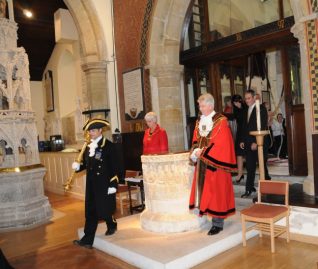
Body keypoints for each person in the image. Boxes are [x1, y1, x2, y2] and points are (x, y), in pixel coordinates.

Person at [189, 93, 237, 235]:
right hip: (203, 163)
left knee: (217, 194)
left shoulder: (221, 121)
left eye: (202, 106)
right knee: (205, 192)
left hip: (216, 164)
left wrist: (202, 153)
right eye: (199, 105)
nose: (200, 108)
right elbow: (195, 139)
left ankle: (218, 223)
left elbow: (222, 143)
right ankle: (208, 216)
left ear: (210, 105)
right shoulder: (200, 121)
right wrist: (195, 151)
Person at [72, 118, 120, 249]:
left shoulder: (109, 146)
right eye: (89, 131)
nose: (90, 133)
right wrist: (79, 166)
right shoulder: (89, 147)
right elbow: (89, 164)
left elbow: (116, 167)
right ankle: (87, 240)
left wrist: (113, 184)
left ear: (100, 130)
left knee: (104, 210)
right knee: (91, 211)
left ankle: (112, 224)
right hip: (92, 184)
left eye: (93, 130)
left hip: (105, 183)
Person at [239, 90, 271, 198]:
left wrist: (256, 142)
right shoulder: (245, 110)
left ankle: (267, 186)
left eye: (248, 98)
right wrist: (243, 140)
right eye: (246, 98)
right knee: (249, 166)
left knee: (262, 165)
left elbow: (261, 125)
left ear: (254, 98)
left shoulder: (260, 109)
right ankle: (249, 188)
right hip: (248, 142)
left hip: (259, 142)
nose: (247, 100)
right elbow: (244, 126)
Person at [231, 94, 246, 183]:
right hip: (240, 133)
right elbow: (236, 118)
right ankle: (240, 174)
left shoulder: (246, 108)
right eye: (234, 103)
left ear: (240, 100)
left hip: (247, 132)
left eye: (237, 102)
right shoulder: (236, 110)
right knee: (239, 154)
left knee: (248, 154)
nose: (236, 104)